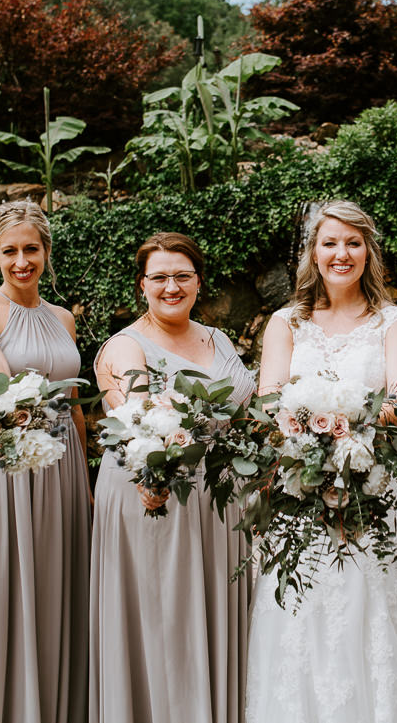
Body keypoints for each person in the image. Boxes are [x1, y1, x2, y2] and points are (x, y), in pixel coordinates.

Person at [244, 200, 397, 722]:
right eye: (330, 243)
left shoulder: (395, 322)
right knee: (302, 616)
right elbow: (268, 401)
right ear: (313, 253)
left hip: (371, 489)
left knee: (367, 615)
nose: (341, 253)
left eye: (353, 242)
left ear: (369, 251)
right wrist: (311, 440)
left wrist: (344, 424)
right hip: (298, 492)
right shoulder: (288, 322)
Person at [90, 232, 254, 723]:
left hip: (221, 497)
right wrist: (154, 469)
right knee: (167, 621)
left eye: (182, 276)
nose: (171, 286)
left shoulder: (216, 338)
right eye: (159, 277)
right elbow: (135, 414)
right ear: (142, 284)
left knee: (212, 616)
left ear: (199, 282)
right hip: (157, 494)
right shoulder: (125, 347)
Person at [0, 200, 90, 723]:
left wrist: (88, 478)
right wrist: (7, 392)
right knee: (9, 579)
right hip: (6, 458)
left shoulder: (63, 317)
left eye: (31, 249)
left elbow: (74, 402)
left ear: (46, 251)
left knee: (59, 578)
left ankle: (59, 701)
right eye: (9, 251)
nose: (21, 261)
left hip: (65, 463)